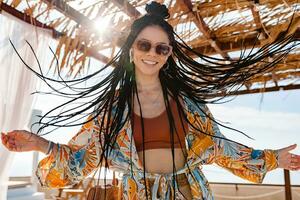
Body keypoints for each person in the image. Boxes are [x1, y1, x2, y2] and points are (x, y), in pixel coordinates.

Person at [1, 1, 300, 199]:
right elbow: (83, 158)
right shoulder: (112, 108)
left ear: (169, 56)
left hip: (190, 193)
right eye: (144, 45)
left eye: (162, 49)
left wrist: (275, 158)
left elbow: (220, 148)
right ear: (131, 49)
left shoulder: (189, 104)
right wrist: (40, 144)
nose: (152, 54)